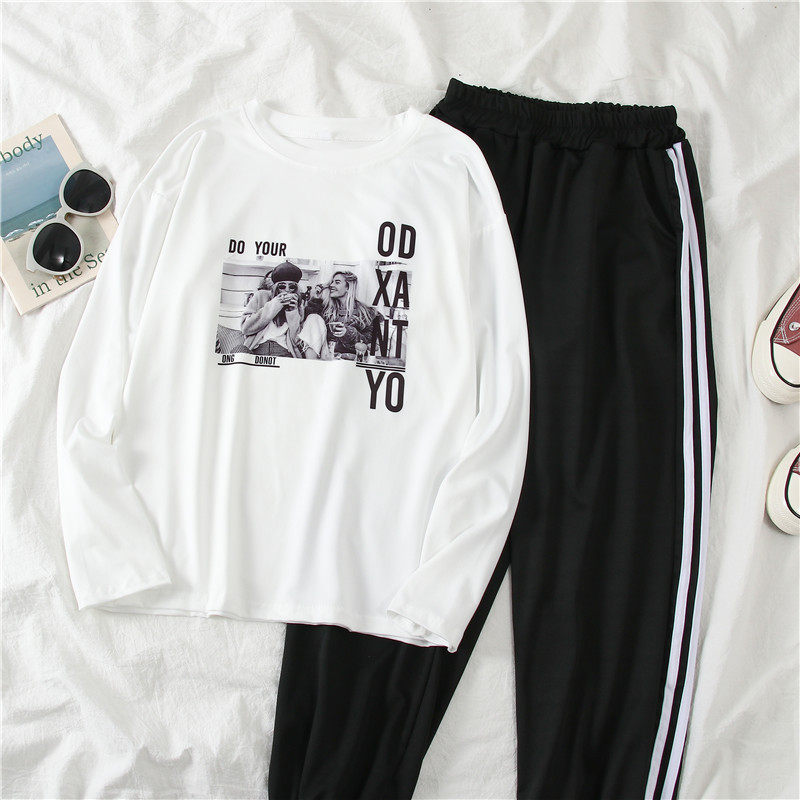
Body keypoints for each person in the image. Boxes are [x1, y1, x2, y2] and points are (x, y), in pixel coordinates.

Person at [240, 261, 330, 359]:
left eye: (291, 287)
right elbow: (245, 328)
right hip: (258, 349)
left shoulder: (298, 305)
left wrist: (292, 312)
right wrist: (274, 305)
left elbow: (296, 341)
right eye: (282, 286)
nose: (287, 290)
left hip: (284, 351)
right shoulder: (261, 296)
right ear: (275, 287)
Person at [322, 270, 382, 359]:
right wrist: (316, 297)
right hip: (329, 358)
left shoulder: (366, 313)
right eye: (332, 282)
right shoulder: (326, 309)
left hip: (352, 360)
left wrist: (347, 333)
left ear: (348, 287)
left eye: (337, 282)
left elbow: (369, 343)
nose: (331, 285)